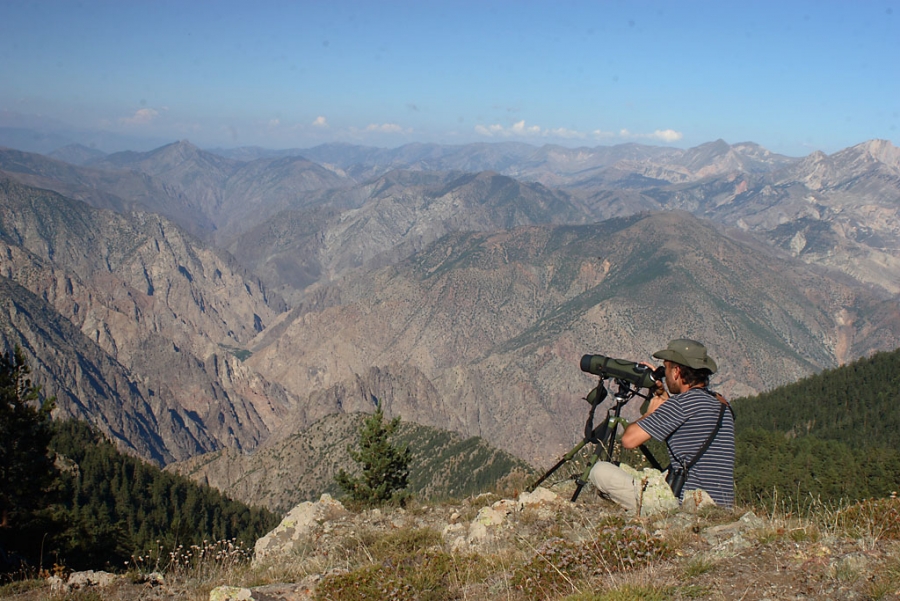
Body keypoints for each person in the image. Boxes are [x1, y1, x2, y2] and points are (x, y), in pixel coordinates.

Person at [588, 338, 735, 511]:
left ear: (676, 372)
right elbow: (684, 417)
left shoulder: (682, 403)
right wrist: (661, 393)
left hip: (687, 503)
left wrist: (652, 411)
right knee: (621, 469)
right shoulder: (721, 403)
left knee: (599, 470)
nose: (664, 374)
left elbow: (629, 440)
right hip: (721, 503)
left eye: (666, 367)